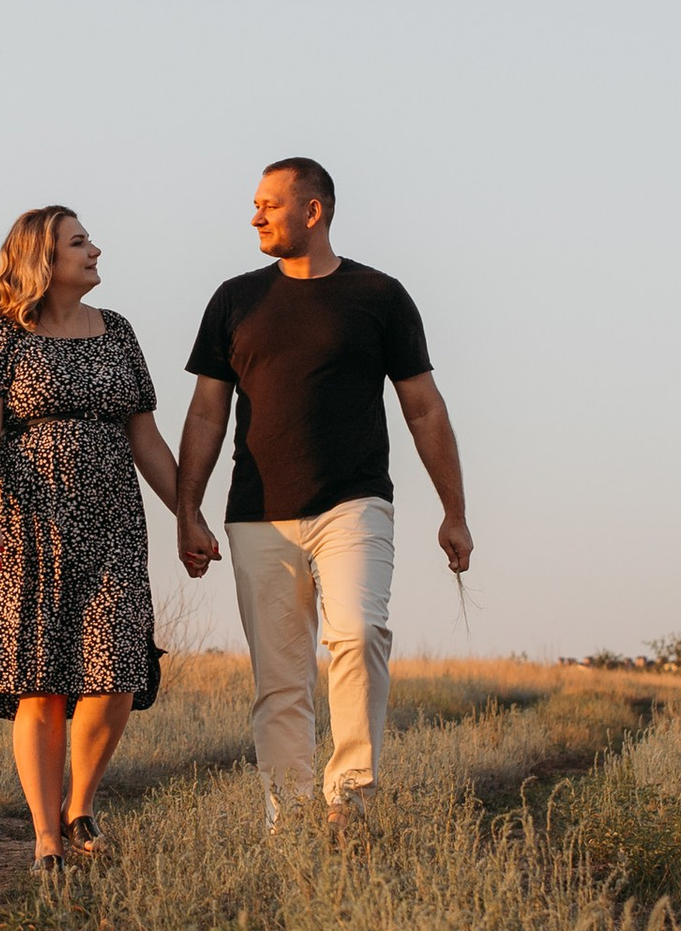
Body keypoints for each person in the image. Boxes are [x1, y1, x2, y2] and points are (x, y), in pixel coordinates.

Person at [176, 157, 471, 821]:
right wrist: (187, 510)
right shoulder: (234, 299)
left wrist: (455, 511)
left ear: (312, 212)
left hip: (354, 501)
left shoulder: (380, 297)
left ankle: (349, 799)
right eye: (254, 204)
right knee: (281, 678)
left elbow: (424, 408)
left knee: (359, 632)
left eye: (269, 205)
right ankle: (295, 816)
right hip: (257, 514)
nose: (255, 215)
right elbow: (205, 412)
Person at [0, 205, 182, 883]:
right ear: (42, 261)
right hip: (26, 526)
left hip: (114, 519)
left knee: (116, 670)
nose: (95, 251)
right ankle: (47, 836)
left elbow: (145, 438)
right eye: (79, 243)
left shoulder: (118, 334)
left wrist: (189, 515)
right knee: (41, 685)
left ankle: (81, 805)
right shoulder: (1, 339)